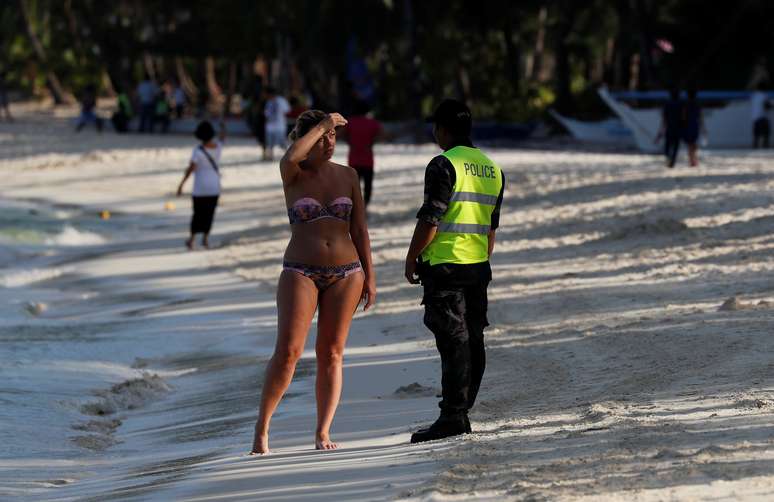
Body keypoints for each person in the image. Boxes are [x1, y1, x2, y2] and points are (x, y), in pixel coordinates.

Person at [251, 110, 376, 455]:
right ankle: (262, 428)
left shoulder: (349, 175)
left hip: (347, 273)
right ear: (305, 140)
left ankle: (323, 431)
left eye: (333, 136)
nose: (329, 143)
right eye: (322, 137)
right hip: (300, 271)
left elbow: (360, 228)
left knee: (332, 354)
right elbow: (291, 155)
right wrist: (323, 124)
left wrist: (370, 276)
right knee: (288, 352)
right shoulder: (293, 172)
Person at [404, 99, 504, 443]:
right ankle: (461, 408)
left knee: (453, 341)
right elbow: (491, 228)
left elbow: (431, 217)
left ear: (442, 129)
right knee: (472, 339)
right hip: (477, 266)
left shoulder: (443, 164)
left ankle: (453, 416)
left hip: (445, 265)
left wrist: (412, 256)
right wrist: (481, 258)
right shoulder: (492, 169)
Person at [176, 120, 226, 249]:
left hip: (200, 187)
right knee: (209, 213)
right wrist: (222, 125)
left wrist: (181, 185)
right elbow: (223, 137)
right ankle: (205, 239)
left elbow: (191, 169)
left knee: (197, 213)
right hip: (214, 187)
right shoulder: (218, 147)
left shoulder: (197, 151)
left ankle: (192, 240)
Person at [342, 100, 384, 207]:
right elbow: (382, 134)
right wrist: (371, 142)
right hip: (367, 160)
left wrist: (350, 141)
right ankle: (365, 206)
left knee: (354, 185)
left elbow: (341, 134)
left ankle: (355, 206)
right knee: (367, 185)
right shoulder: (372, 123)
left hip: (353, 159)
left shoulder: (350, 122)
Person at [654, 87, 683, 168]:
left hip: (669, 127)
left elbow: (664, 118)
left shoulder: (667, 104)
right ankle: (672, 161)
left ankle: (668, 158)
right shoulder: (681, 103)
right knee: (676, 146)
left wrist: (661, 130)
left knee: (668, 145)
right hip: (678, 128)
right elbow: (683, 117)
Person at [263, 86, 290, 161]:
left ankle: (288, 155)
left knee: (281, 142)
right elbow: (266, 113)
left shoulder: (281, 100)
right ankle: (270, 156)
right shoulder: (269, 102)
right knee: (269, 142)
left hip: (279, 125)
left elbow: (287, 110)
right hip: (270, 125)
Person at [682, 89, 705, 167]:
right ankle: (694, 159)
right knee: (694, 143)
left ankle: (691, 160)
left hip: (688, 125)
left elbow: (684, 116)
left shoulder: (686, 104)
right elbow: (700, 117)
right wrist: (703, 127)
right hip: (695, 125)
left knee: (690, 144)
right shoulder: (697, 104)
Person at [751, 83, 770, 148]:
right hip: (762, 118)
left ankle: (755, 148)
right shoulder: (764, 95)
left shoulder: (754, 96)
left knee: (756, 136)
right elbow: (766, 105)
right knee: (766, 135)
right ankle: (765, 147)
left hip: (755, 118)